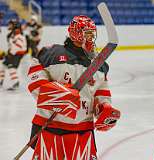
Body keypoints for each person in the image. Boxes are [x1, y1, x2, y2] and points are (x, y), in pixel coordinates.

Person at [27, 15, 121, 160]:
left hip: (82, 130)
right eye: (87, 33)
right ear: (75, 33)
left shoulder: (100, 65)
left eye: (92, 34)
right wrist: (59, 95)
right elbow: (35, 83)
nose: (90, 37)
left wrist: (104, 108)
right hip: (50, 126)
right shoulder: (51, 54)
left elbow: (101, 93)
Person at [2, 19, 27, 90]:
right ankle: (1, 81)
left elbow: (19, 47)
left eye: (10, 24)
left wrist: (11, 52)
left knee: (11, 67)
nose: (9, 25)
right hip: (13, 53)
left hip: (16, 54)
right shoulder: (13, 34)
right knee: (3, 65)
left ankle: (15, 82)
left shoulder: (18, 35)